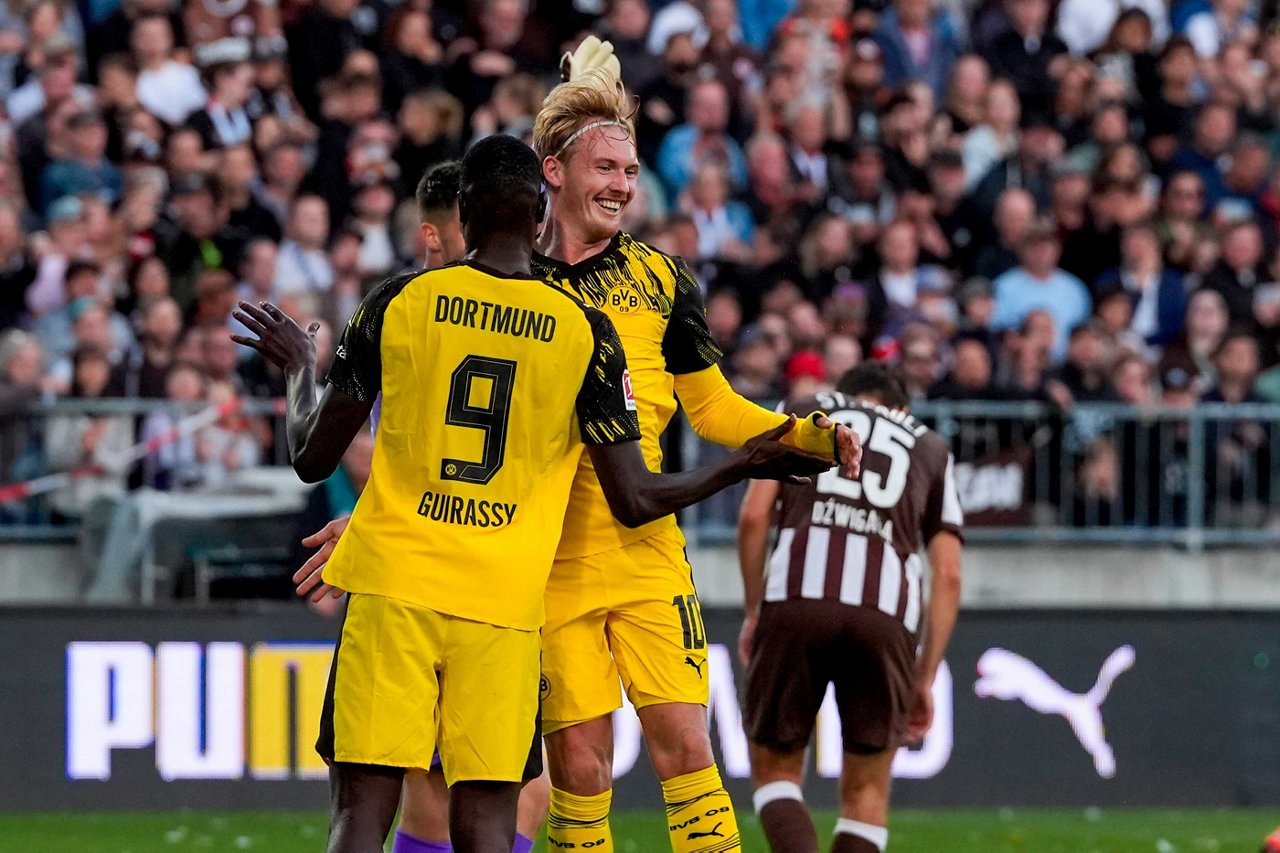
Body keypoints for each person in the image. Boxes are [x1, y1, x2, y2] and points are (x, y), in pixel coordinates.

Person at [295, 41, 860, 853]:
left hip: (646, 550)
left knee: (687, 745)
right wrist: (381, 517)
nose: (622, 187)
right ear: (551, 174)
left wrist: (794, 432)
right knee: (579, 771)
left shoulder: (664, 281)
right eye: (606, 169)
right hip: (542, 560)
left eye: (630, 173)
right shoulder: (515, 287)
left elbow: (710, 407)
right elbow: (452, 425)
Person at [738, 362, 963, 853]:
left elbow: (755, 516)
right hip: (887, 616)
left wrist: (755, 611)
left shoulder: (804, 410)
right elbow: (948, 574)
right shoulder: (930, 446)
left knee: (776, 770)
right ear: (901, 408)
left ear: (845, 396)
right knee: (866, 792)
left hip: (797, 596)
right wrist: (923, 675)